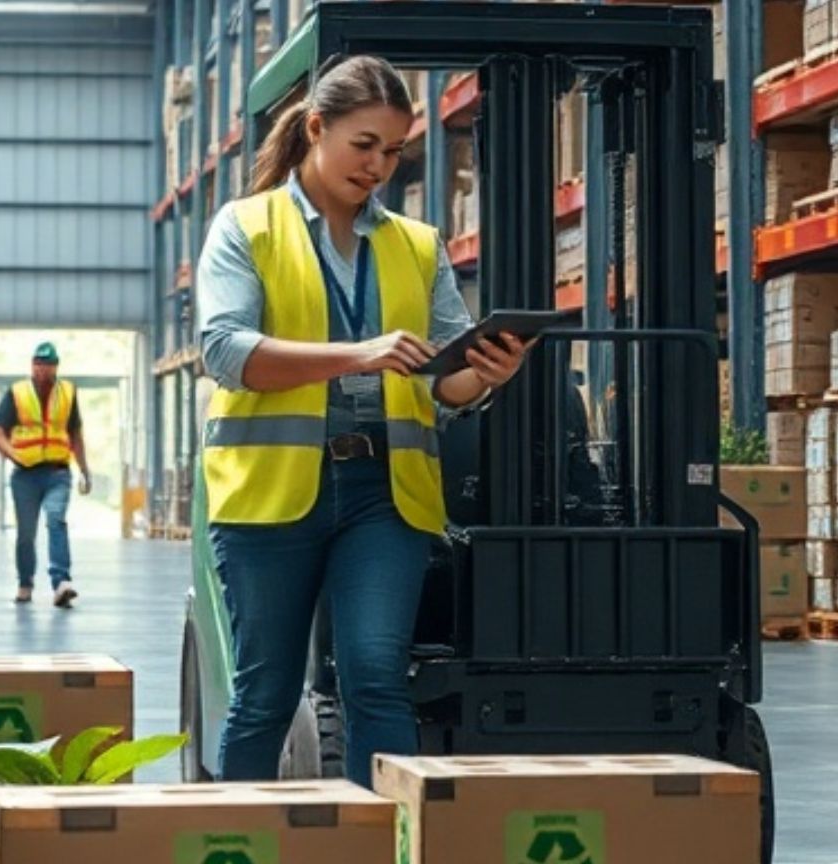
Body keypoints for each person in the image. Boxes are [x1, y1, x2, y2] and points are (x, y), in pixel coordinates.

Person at [195, 55, 531, 787]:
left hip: (386, 491)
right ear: (317, 129)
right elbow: (225, 351)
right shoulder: (246, 228)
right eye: (363, 144)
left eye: (392, 151)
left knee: (378, 677)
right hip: (271, 491)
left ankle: (386, 842)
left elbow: (447, 377)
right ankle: (240, 840)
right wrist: (360, 353)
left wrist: (486, 374)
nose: (378, 165)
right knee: (265, 695)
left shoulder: (417, 244)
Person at [0, 341, 92, 607]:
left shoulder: (68, 392)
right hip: (25, 474)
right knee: (26, 533)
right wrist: (11, 453)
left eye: (47, 365)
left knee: (56, 520)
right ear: (32, 366)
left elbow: (75, 434)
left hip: (58, 472)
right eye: (37, 365)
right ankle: (25, 583)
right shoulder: (17, 393)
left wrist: (84, 469)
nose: (42, 370)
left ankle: (61, 583)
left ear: (55, 366)